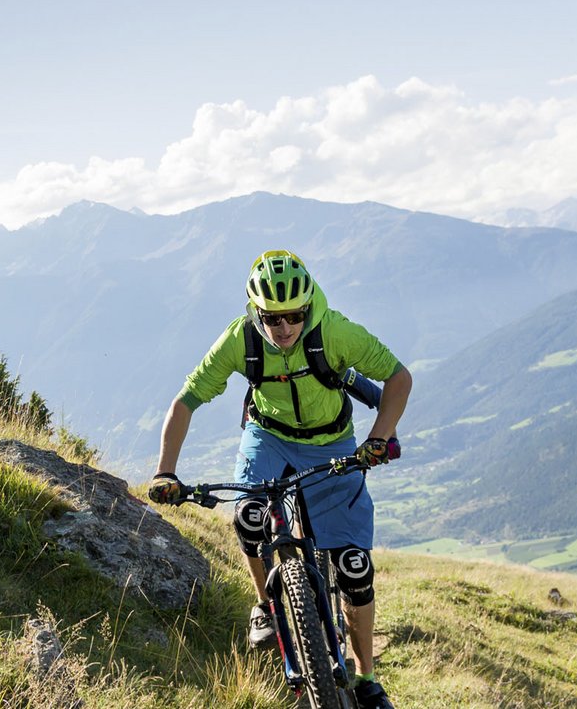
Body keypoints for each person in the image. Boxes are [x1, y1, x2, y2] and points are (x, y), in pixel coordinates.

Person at [146, 250, 411, 709]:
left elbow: (398, 378)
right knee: (249, 517)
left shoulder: (335, 333)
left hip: (331, 442)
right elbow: (184, 402)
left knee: (354, 568)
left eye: (294, 316)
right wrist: (165, 470)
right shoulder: (240, 339)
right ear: (257, 312)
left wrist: (378, 438)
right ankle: (265, 606)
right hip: (267, 436)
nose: (284, 327)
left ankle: (367, 677)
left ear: (308, 308)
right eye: (273, 318)